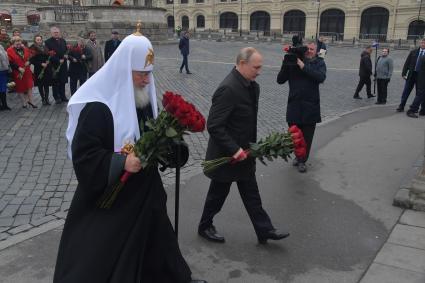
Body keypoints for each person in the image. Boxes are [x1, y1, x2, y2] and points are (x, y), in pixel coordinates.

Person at [54, 29, 206, 283]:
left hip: (146, 190)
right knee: (111, 254)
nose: (147, 80)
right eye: (141, 73)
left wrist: (173, 149)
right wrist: (122, 161)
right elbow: (85, 159)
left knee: (159, 239)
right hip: (113, 198)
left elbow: (152, 137)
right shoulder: (98, 107)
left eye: (149, 73)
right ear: (124, 70)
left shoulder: (142, 99)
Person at [198, 47, 289, 245]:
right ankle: (204, 226)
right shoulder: (228, 88)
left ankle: (264, 230)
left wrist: (250, 149)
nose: (259, 71)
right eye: (256, 67)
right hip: (227, 157)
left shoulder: (252, 87)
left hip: (246, 154)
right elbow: (214, 125)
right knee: (217, 196)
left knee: (251, 194)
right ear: (242, 64)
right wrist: (234, 149)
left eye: (260, 67)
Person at [277, 41, 327, 173]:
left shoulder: (319, 63)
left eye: (312, 49)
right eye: (308, 49)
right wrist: (285, 64)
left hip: (311, 107)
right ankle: (298, 156)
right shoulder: (293, 62)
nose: (309, 51)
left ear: (316, 51)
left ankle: (302, 160)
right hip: (294, 105)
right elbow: (280, 80)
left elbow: (320, 77)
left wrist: (303, 66)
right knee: (294, 136)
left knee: (306, 138)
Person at [397, 38, 425, 113]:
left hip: (421, 76)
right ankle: (401, 106)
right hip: (411, 74)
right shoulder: (414, 52)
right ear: (420, 43)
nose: (423, 44)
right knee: (406, 91)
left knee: (419, 93)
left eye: (424, 43)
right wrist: (404, 73)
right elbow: (407, 63)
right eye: (422, 43)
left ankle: (420, 108)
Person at [7, 36, 36, 108]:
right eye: (16, 42)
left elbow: (31, 57)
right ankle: (24, 102)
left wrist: (29, 62)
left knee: (29, 86)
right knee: (20, 87)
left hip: (27, 71)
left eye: (19, 41)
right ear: (13, 43)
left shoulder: (25, 49)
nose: (18, 43)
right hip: (17, 72)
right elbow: (10, 62)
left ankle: (31, 101)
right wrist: (18, 68)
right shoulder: (9, 50)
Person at [45, 26, 69, 104]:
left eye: (57, 32)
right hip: (54, 65)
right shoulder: (47, 42)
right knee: (55, 82)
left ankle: (63, 96)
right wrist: (58, 60)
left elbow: (66, 51)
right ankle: (56, 97)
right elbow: (48, 54)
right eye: (54, 32)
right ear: (51, 33)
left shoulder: (63, 40)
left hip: (63, 65)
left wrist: (66, 56)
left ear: (59, 33)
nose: (56, 33)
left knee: (63, 81)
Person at [30, 34, 52, 105]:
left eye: (40, 39)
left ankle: (47, 99)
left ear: (42, 40)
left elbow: (48, 55)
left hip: (46, 68)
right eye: (37, 40)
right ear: (35, 40)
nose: (39, 41)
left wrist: (48, 61)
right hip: (38, 69)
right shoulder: (33, 48)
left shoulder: (45, 47)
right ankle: (43, 99)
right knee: (40, 85)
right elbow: (32, 60)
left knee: (46, 84)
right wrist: (40, 64)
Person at [406, 49, 425, 118]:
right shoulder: (423, 57)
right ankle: (412, 110)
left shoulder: (422, 57)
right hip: (422, 79)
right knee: (420, 94)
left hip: (420, 77)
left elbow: (417, 68)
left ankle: (423, 110)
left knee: (422, 94)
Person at [0, 44, 10, 110]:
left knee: (3, 88)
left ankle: (4, 105)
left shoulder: (1, 46)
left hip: (3, 71)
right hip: (2, 69)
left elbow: (6, 59)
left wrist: (7, 67)